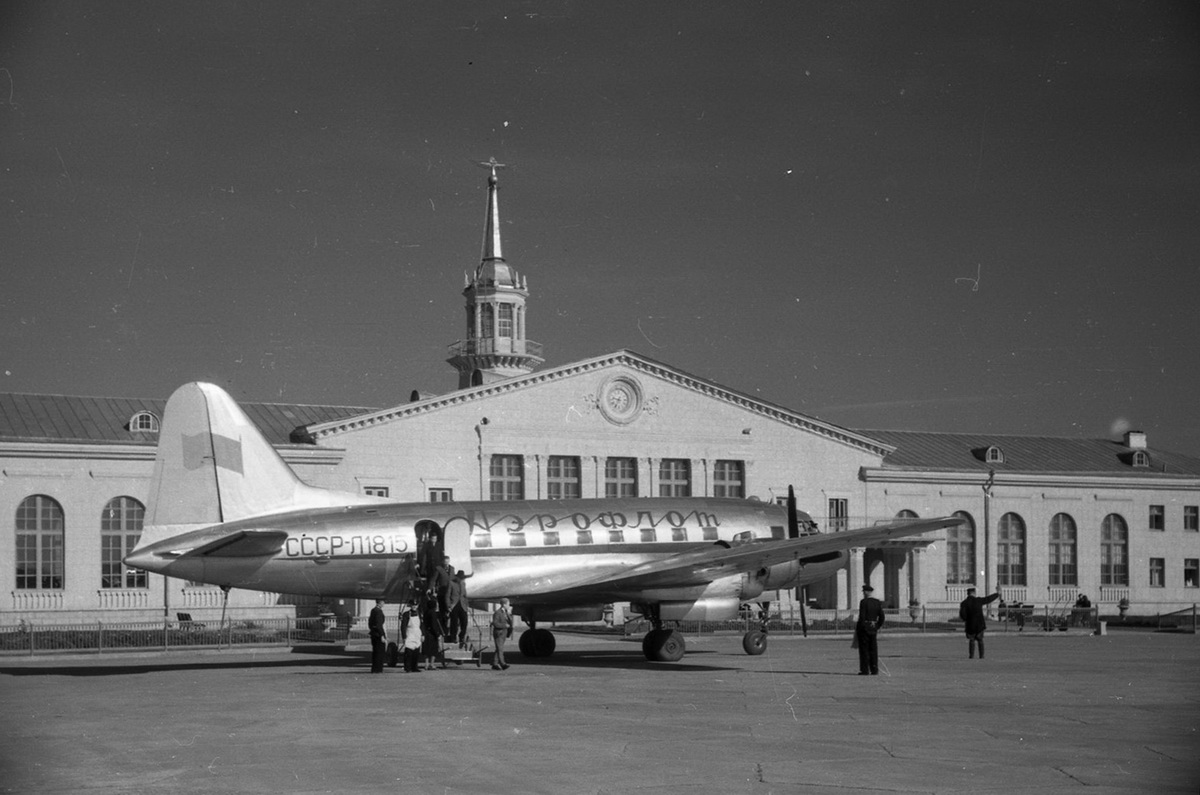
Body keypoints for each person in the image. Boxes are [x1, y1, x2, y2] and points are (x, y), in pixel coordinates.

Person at [959, 586, 1001, 659]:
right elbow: (988, 599)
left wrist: (966, 619)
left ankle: (971, 655)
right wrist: (997, 594)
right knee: (980, 640)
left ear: (968, 594)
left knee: (971, 640)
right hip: (979, 624)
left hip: (970, 624)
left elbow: (962, 614)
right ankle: (981, 655)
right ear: (974, 593)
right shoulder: (978, 601)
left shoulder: (964, 603)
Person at [855, 584, 885, 675]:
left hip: (865, 628)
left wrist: (861, 627)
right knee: (873, 649)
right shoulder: (877, 602)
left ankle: (865, 670)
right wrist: (877, 626)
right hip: (873, 628)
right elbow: (882, 616)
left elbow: (862, 616)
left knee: (864, 650)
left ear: (867, 592)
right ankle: (874, 669)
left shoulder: (863, 602)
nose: (863, 593)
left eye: (864, 591)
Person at [447, 570, 470, 648]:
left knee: (464, 622)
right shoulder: (451, 583)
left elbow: (465, 595)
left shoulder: (463, 584)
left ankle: (462, 636)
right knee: (454, 622)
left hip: (462, 605)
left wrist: (466, 605)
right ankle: (453, 637)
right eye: (460, 578)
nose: (461, 579)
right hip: (454, 605)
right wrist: (449, 605)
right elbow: (447, 595)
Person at [421, 599, 445, 670]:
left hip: (426, 632)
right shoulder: (433, 613)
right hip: (432, 634)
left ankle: (426, 664)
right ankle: (432, 664)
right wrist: (437, 634)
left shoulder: (426, 612)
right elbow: (434, 625)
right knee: (433, 649)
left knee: (426, 649)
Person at [400, 601, 423, 672]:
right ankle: (407, 667)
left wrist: (423, 634)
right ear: (410, 605)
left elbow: (422, 625)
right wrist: (404, 636)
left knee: (416, 651)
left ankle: (414, 667)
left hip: (417, 632)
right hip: (410, 632)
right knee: (409, 651)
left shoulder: (419, 614)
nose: (414, 607)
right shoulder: (406, 614)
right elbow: (403, 626)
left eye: (415, 605)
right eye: (413, 605)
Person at [491, 597, 513, 670]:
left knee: (498, 649)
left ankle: (494, 664)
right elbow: (495, 623)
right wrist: (505, 625)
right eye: (508, 604)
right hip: (499, 633)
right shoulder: (497, 613)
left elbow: (509, 621)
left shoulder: (506, 612)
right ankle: (503, 664)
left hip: (504, 633)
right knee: (500, 649)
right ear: (504, 604)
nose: (509, 605)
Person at [368, 598, 387, 673]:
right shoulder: (378, 611)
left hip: (373, 633)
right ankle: (378, 668)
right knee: (380, 652)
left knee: (375, 651)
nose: (383, 604)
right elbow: (379, 624)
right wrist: (382, 635)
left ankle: (375, 668)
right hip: (378, 634)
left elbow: (370, 623)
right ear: (380, 603)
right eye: (383, 602)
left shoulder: (373, 610)